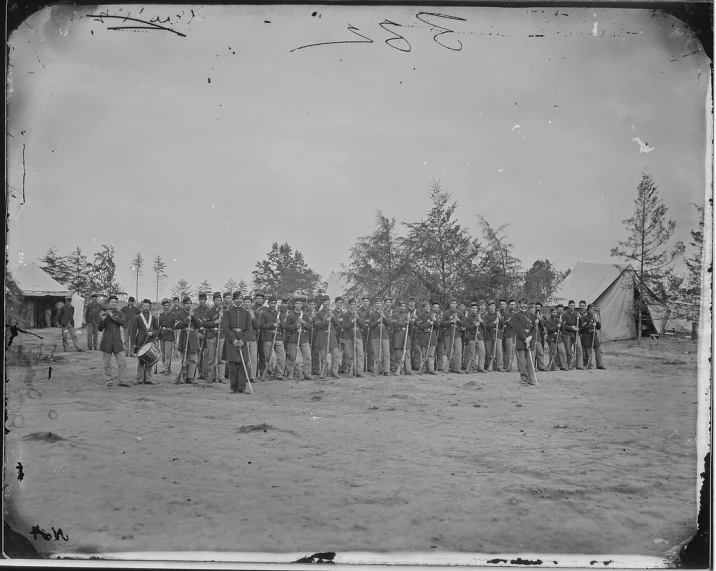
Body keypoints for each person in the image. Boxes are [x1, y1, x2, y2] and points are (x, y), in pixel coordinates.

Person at [221, 291, 252, 394]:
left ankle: (242, 387)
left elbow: (249, 329)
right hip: (231, 341)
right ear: (233, 299)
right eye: (237, 298)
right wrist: (233, 339)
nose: (239, 300)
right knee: (233, 364)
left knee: (243, 364)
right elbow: (225, 328)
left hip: (242, 340)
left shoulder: (246, 313)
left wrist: (243, 340)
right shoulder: (228, 312)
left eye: (240, 298)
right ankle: (233, 387)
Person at [98, 295, 127, 387]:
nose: (113, 304)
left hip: (117, 342)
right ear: (108, 303)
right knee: (107, 364)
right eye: (111, 302)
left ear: (116, 303)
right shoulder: (103, 313)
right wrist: (102, 320)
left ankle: (121, 381)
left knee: (123, 362)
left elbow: (123, 323)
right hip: (107, 341)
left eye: (115, 302)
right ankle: (108, 380)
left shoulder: (120, 313)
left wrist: (112, 316)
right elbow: (99, 329)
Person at [174, 296, 204, 383]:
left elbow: (200, 324)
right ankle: (184, 377)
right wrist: (187, 319)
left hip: (192, 338)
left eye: (190, 303)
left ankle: (190, 377)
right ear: (183, 305)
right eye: (186, 303)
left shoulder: (195, 313)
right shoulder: (179, 314)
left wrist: (193, 317)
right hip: (183, 336)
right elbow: (177, 326)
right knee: (184, 359)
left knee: (193, 359)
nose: (188, 305)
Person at [285, 297, 314, 380]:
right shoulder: (290, 316)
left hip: (304, 338)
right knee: (294, 358)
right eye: (296, 303)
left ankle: (307, 374)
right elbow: (287, 327)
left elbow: (310, 326)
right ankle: (295, 374)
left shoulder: (305, 316)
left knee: (308, 356)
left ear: (302, 305)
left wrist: (304, 323)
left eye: (300, 304)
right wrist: (296, 325)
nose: (298, 305)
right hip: (293, 339)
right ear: (294, 305)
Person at [132, 298, 160, 385]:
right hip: (140, 341)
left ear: (150, 307)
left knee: (149, 360)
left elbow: (157, 329)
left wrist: (153, 333)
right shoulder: (137, 318)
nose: (146, 308)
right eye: (145, 306)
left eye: (148, 306)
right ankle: (139, 379)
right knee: (141, 361)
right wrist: (133, 343)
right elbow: (133, 332)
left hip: (150, 341)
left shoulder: (154, 318)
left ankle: (148, 379)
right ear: (142, 306)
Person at [260, 295, 286, 380]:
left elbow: (284, 326)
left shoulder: (279, 313)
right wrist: (272, 324)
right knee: (269, 356)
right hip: (267, 336)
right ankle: (270, 373)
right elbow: (261, 325)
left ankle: (279, 374)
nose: (273, 304)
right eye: (271, 303)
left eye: (274, 303)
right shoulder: (264, 314)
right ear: (268, 303)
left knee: (281, 356)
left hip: (278, 336)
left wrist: (280, 323)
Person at [513, 298, 538, 386]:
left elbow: (535, 328)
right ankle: (524, 378)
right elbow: (517, 329)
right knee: (522, 361)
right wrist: (525, 338)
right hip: (521, 340)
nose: (523, 305)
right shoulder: (516, 315)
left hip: (530, 340)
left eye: (525, 304)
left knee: (531, 361)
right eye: (521, 303)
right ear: (519, 304)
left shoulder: (531, 315)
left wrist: (530, 337)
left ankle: (531, 379)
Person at [313, 295, 340, 379]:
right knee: (324, 357)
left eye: (328, 302)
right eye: (325, 302)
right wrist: (326, 321)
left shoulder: (333, 312)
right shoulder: (318, 314)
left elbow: (338, 324)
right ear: (322, 303)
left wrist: (333, 317)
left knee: (335, 355)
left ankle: (334, 372)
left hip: (332, 336)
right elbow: (317, 325)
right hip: (322, 336)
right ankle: (324, 372)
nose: (327, 304)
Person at [203, 293, 225, 382]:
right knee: (211, 358)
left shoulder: (224, 311)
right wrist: (215, 322)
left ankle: (221, 376)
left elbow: (228, 324)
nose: (218, 302)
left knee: (221, 358)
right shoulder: (208, 312)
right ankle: (211, 375)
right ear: (213, 301)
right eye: (216, 300)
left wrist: (223, 317)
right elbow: (204, 324)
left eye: (219, 300)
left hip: (221, 335)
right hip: (211, 334)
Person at [342, 298, 366, 377]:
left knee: (360, 354)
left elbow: (363, 325)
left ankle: (359, 371)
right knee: (350, 355)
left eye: (354, 304)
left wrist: (358, 318)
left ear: (356, 305)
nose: (352, 306)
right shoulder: (345, 314)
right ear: (348, 305)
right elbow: (344, 327)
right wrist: (352, 321)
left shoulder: (360, 313)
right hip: (348, 336)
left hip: (358, 335)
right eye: (351, 304)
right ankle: (350, 369)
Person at [441, 298, 465, 374]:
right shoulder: (446, 313)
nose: (453, 305)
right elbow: (442, 323)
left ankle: (457, 368)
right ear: (450, 304)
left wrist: (458, 320)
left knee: (458, 351)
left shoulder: (460, 313)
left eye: (454, 303)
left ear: (456, 304)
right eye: (452, 303)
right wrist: (451, 321)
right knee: (449, 351)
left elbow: (464, 323)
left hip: (457, 334)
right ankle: (450, 367)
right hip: (448, 333)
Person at [369, 299, 392, 376]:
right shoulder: (372, 314)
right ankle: (378, 369)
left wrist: (384, 317)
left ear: (382, 304)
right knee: (376, 354)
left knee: (386, 353)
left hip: (384, 335)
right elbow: (371, 325)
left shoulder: (386, 313)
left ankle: (387, 370)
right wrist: (378, 321)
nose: (378, 304)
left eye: (380, 303)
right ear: (375, 304)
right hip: (376, 336)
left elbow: (389, 324)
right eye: (377, 303)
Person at [580, 304, 606, 370]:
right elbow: (583, 328)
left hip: (594, 335)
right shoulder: (584, 318)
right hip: (587, 336)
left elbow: (599, 327)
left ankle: (599, 365)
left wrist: (597, 322)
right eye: (591, 309)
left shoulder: (594, 317)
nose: (592, 310)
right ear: (588, 310)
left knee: (598, 349)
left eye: (593, 309)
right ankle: (589, 365)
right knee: (588, 351)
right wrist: (591, 324)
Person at [417, 301, 439, 375]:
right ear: (423, 308)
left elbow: (438, 327)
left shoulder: (433, 315)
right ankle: (423, 368)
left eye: (429, 306)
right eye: (426, 306)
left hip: (432, 336)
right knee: (423, 354)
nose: (428, 308)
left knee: (431, 354)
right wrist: (429, 323)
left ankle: (431, 369)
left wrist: (435, 321)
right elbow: (420, 326)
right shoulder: (420, 316)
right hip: (423, 337)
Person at [391, 301, 413, 375]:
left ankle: (408, 370)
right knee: (397, 355)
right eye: (401, 306)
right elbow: (394, 323)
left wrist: (411, 321)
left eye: (404, 306)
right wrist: (405, 323)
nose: (403, 308)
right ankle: (398, 369)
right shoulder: (394, 315)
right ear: (398, 307)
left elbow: (412, 327)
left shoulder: (407, 315)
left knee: (407, 354)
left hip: (406, 335)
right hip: (397, 336)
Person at [194, 292, 212, 380]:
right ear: (198, 300)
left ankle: (205, 373)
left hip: (207, 335)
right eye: (200, 300)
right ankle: (199, 373)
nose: (202, 301)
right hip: (198, 335)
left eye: (203, 300)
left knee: (206, 354)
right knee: (198, 354)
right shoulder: (195, 311)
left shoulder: (209, 310)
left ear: (206, 300)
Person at [464, 301, 486, 373]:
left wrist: (481, 321)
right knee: (472, 353)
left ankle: (481, 367)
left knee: (482, 352)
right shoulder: (468, 318)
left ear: (477, 309)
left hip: (479, 337)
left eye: (475, 308)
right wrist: (475, 325)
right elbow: (467, 327)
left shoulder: (480, 317)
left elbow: (484, 327)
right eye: (473, 308)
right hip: (471, 337)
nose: (474, 309)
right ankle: (474, 367)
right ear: (471, 309)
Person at [544, 306, 568, 371]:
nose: (554, 313)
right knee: (552, 352)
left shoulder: (558, 320)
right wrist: (557, 326)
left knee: (562, 351)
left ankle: (563, 366)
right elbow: (550, 330)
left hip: (559, 338)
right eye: (553, 312)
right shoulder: (547, 321)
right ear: (550, 313)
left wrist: (561, 323)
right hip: (551, 338)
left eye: (555, 312)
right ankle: (553, 366)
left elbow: (563, 329)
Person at [561, 300, 583, 370]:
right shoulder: (564, 315)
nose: (572, 307)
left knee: (579, 348)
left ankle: (579, 365)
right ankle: (569, 364)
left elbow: (580, 325)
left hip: (576, 334)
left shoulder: (577, 314)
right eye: (571, 305)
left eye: (573, 305)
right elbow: (564, 326)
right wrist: (572, 328)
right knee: (568, 349)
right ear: (568, 306)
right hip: (567, 334)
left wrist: (580, 318)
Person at [157, 298, 176, 375]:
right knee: (163, 353)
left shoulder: (173, 315)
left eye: (167, 305)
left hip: (169, 335)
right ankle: (166, 367)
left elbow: (177, 324)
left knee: (168, 353)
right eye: (164, 305)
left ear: (169, 306)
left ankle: (166, 369)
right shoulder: (160, 315)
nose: (166, 307)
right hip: (162, 335)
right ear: (162, 306)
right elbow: (158, 326)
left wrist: (172, 329)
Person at [482, 300, 500, 372]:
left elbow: (502, 323)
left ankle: (495, 366)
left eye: (493, 306)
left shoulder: (497, 315)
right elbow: (486, 326)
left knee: (495, 352)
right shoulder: (485, 316)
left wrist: (500, 318)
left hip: (496, 335)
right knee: (488, 352)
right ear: (488, 307)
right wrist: (494, 323)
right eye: (490, 306)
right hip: (488, 336)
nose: (492, 308)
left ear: (495, 307)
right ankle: (488, 366)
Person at [502, 299, 517, 372]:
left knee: (517, 351)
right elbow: (509, 324)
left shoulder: (517, 313)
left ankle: (520, 367)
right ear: (509, 305)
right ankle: (508, 366)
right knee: (509, 351)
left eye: (514, 304)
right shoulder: (506, 313)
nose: (513, 305)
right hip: (509, 333)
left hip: (516, 334)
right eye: (511, 304)